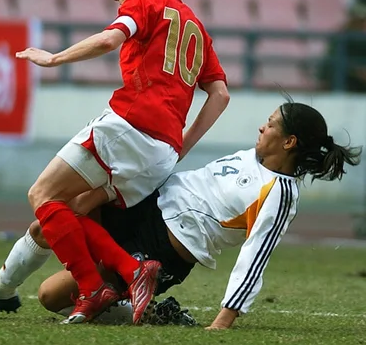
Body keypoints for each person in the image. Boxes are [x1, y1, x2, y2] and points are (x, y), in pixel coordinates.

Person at [0, 0, 229, 324]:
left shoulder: (146, 3)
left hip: (130, 126)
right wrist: (181, 146)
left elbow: (109, 40)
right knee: (70, 211)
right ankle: (123, 273)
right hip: (163, 151)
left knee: (42, 195)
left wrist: (53, 58)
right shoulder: (194, 25)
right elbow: (220, 94)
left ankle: (99, 285)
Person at [34, 101, 362, 329]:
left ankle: (153, 310)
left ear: (289, 141)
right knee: (59, 212)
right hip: (145, 207)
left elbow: (254, 258)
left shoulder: (279, 194)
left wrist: (223, 320)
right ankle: (0, 288)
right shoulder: (251, 155)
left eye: (272, 124)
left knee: (50, 296)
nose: (263, 127)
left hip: (162, 249)